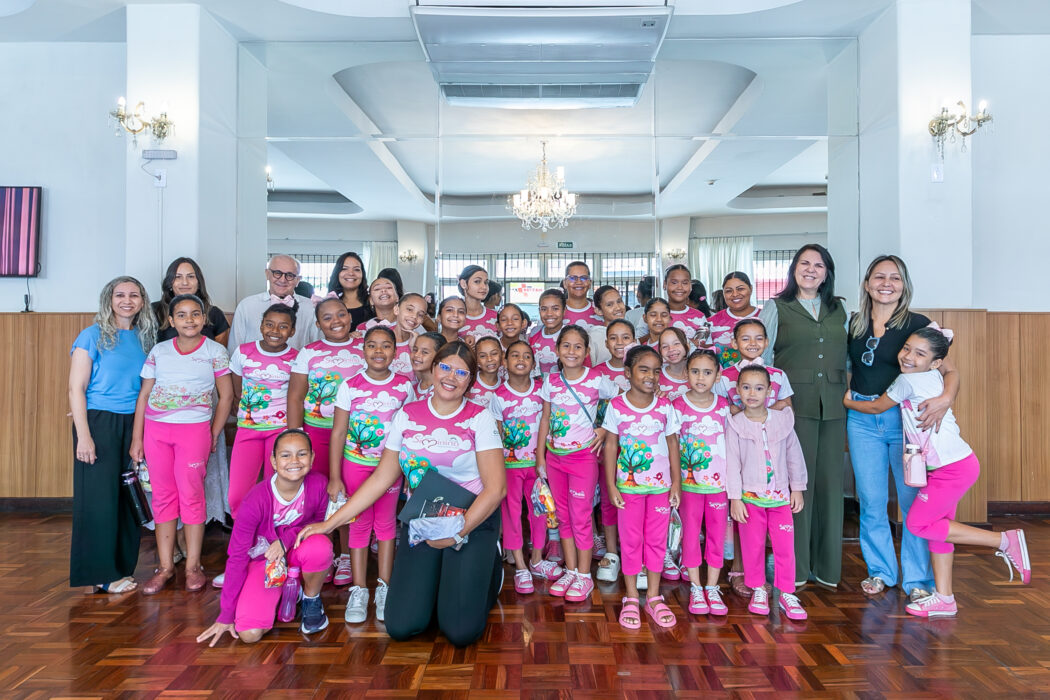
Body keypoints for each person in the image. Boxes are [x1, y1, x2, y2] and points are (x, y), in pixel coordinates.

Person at [296, 341, 507, 647]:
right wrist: (329, 523)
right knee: (402, 625)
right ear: (433, 369)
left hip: (471, 520)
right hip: (424, 520)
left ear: (470, 381)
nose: (451, 377)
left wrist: (456, 533)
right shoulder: (407, 415)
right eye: (445, 367)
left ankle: (490, 566)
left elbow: (496, 489)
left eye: (461, 372)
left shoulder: (480, 417)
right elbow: (382, 478)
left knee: (460, 632)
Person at [843, 327, 1032, 617]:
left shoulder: (907, 380)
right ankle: (945, 599)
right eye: (906, 348)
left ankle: (1004, 541)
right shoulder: (932, 377)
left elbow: (877, 407)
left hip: (951, 469)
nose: (908, 356)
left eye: (920, 354)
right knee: (938, 532)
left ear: (936, 363)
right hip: (954, 465)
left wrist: (847, 401)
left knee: (918, 524)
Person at [846, 255, 958, 602]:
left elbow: (950, 370)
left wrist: (945, 399)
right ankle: (880, 571)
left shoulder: (917, 323)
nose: (886, 283)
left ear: (904, 285)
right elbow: (849, 368)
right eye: (879, 277)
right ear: (867, 283)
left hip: (906, 422)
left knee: (913, 504)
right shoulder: (854, 323)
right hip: (862, 421)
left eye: (895, 278)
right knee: (872, 502)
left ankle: (918, 579)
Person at [131, 294, 234, 595]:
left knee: (191, 496)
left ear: (204, 318)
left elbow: (226, 396)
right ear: (171, 321)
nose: (189, 320)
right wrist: (137, 438)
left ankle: (193, 567)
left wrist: (213, 432)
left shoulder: (215, 351)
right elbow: (144, 395)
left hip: (194, 432)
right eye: (182, 315)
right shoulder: (159, 351)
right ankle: (165, 567)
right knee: (163, 497)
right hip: (156, 432)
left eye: (195, 314)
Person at [758, 244, 847, 589]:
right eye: (805, 263)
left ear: (827, 273)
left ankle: (827, 567)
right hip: (792, 407)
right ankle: (794, 569)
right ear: (794, 268)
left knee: (831, 486)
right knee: (797, 484)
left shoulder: (840, 309)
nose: (811, 270)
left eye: (819, 265)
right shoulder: (777, 307)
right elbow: (763, 358)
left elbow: (849, 357)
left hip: (835, 406)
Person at [196, 429, 333, 644]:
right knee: (249, 634)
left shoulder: (319, 485)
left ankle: (310, 599)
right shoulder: (255, 501)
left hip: (298, 553)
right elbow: (237, 557)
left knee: (320, 546)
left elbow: (318, 526)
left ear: (312, 457)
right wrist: (226, 615)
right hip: (265, 562)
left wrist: (285, 541)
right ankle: (287, 589)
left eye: (302, 454)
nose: (294, 461)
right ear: (274, 461)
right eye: (285, 455)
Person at [69, 276, 158, 594]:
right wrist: (84, 435)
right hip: (98, 423)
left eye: (134, 295)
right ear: (109, 299)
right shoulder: (91, 335)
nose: (127, 300)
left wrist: (139, 435)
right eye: (120, 295)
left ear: (142, 301)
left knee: (126, 497)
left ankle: (120, 568)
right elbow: (76, 388)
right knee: (99, 500)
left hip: (133, 423)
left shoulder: (145, 338)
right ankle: (100, 574)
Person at [328, 325, 415, 624]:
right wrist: (335, 476)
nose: (379, 351)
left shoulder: (404, 386)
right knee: (360, 523)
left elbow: (409, 433)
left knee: (386, 524)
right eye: (372, 345)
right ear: (363, 350)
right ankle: (359, 589)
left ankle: (384, 588)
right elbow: (338, 432)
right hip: (355, 465)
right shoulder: (349, 385)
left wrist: (409, 474)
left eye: (386, 345)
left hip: (390, 468)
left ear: (395, 351)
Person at [286, 297, 366, 588]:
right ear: (318, 324)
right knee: (321, 495)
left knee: (348, 494)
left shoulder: (364, 348)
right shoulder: (309, 352)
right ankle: (325, 553)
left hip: (354, 437)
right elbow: (296, 396)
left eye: (341, 314)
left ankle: (346, 555)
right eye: (327, 317)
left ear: (350, 316)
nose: (336, 321)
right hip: (316, 435)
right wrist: (295, 437)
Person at [602, 344, 681, 629]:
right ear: (628, 373)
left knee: (657, 542)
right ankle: (632, 597)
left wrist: (676, 483)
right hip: (628, 490)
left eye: (656, 371)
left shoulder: (665, 407)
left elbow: (673, 444)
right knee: (631, 541)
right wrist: (611, 485)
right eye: (644, 370)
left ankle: (655, 597)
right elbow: (611, 446)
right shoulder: (616, 406)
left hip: (660, 490)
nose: (651, 376)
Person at [536, 325, 618, 602]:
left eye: (578, 346)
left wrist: (604, 430)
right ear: (557, 349)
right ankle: (571, 570)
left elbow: (620, 401)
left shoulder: (597, 379)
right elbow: (545, 419)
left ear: (586, 351)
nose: (571, 351)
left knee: (580, 516)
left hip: (583, 458)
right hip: (554, 458)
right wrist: (540, 456)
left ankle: (584, 575)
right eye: (566, 345)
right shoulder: (551, 381)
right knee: (562, 516)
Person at [726, 365, 808, 620]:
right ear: (738, 390)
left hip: (780, 499)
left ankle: (787, 593)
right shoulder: (735, 424)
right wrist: (735, 498)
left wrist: (797, 488)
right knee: (753, 547)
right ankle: (758, 588)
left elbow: (794, 456)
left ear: (769, 392)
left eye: (759, 388)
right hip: (750, 499)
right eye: (746, 387)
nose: (752, 393)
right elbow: (732, 464)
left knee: (785, 546)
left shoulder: (782, 421)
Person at [490, 341, 563, 592]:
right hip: (509, 467)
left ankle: (537, 560)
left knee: (539, 511)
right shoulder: (499, 396)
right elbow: (497, 434)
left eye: (526, 356)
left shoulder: (542, 390)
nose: (521, 360)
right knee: (511, 514)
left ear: (534, 363)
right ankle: (521, 566)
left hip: (538, 465)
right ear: (505, 362)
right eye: (515, 355)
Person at [227, 305, 299, 519]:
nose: (275, 331)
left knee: (275, 488)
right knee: (238, 492)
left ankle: (270, 534)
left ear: (292, 331)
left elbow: (297, 395)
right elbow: (237, 391)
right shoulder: (243, 352)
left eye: (283, 326)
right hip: (248, 429)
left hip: (280, 431)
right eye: (269, 324)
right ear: (261, 326)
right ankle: (243, 530)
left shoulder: (296, 358)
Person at [673, 349, 730, 616]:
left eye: (707, 372)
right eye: (695, 371)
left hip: (719, 487)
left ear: (717, 376)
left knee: (717, 536)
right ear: (686, 373)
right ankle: (696, 586)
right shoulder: (677, 405)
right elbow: (671, 446)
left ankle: (712, 587)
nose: (700, 377)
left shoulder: (724, 406)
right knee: (691, 535)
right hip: (688, 487)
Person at [229, 255, 319, 351]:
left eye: (290, 275)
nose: (282, 280)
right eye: (277, 273)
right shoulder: (247, 306)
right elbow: (235, 347)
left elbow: (317, 347)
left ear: (298, 280)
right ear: (267, 274)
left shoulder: (310, 308)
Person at [718, 319, 793, 411]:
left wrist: (762, 415)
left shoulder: (779, 375)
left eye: (759, 339)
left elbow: (788, 410)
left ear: (766, 342)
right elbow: (718, 409)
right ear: (735, 343)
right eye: (745, 339)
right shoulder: (723, 376)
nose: (753, 343)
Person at [153, 257, 229, 346]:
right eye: (178, 277)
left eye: (191, 276)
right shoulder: (154, 311)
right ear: (170, 283)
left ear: (199, 282)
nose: (185, 282)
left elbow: (221, 351)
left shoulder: (214, 313)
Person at [709, 272, 759, 368]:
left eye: (740, 289)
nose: (735, 294)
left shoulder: (766, 317)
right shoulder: (712, 322)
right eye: (729, 291)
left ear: (751, 289)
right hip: (722, 377)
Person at [325, 251, 373, 331]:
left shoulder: (372, 301)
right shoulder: (328, 304)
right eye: (344, 269)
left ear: (362, 274)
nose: (351, 273)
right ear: (337, 273)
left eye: (356, 269)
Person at [664, 265, 709, 343]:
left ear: (690, 286)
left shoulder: (700, 317)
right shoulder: (656, 314)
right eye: (674, 283)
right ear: (664, 284)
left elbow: (704, 345)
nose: (680, 287)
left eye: (685, 283)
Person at [529, 288, 567, 377]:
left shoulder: (572, 335)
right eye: (544, 309)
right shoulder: (534, 333)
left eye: (555, 309)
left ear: (564, 310)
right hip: (536, 385)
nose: (549, 313)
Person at [588, 285, 627, 366]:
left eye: (619, 301)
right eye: (609, 305)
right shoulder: (594, 336)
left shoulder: (630, 333)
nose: (618, 308)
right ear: (599, 311)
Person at [458, 265, 500, 340]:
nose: (484, 287)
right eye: (477, 281)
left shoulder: (496, 317)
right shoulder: (454, 317)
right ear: (463, 284)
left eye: (486, 282)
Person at [562, 261, 604, 331]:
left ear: (590, 283)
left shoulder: (601, 310)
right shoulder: (555, 311)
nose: (579, 282)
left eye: (584, 278)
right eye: (573, 278)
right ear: (565, 283)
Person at [657, 327, 691, 403]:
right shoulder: (656, 375)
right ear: (660, 351)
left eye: (676, 343)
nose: (671, 349)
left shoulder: (699, 373)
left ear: (687, 346)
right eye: (665, 346)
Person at [410, 331, 447, 400]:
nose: (416, 355)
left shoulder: (444, 391)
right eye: (415, 350)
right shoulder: (411, 389)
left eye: (424, 352)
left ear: (439, 356)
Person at [468, 336, 503, 408]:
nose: (489, 359)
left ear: (502, 355)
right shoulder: (469, 382)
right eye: (483, 356)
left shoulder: (505, 385)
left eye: (494, 353)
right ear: (477, 359)